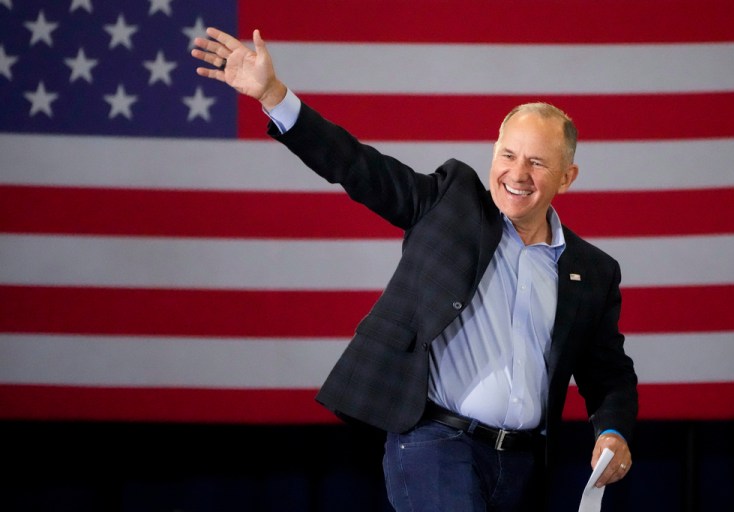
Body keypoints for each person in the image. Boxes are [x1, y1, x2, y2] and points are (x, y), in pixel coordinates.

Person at [192, 26, 639, 512]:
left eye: (537, 163)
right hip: (436, 445)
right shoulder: (451, 203)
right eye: (508, 155)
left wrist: (613, 431)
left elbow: (608, 372)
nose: (517, 173)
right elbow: (356, 166)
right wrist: (274, 96)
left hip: (524, 467)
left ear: (567, 178)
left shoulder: (593, 271)